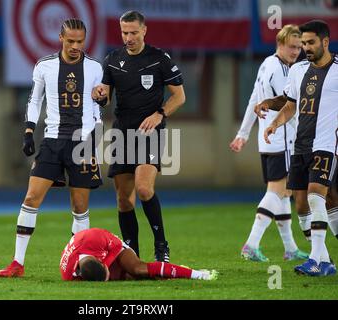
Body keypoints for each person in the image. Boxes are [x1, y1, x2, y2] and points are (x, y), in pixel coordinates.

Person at [0, 19, 105, 278]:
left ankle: (78, 265)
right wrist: (28, 131)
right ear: (60, 38)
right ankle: (17, 263)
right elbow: (35, 99)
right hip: (53, 141)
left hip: (82, 142)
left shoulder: (94, 68)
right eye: (70, 41)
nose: (76, 46)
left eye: (80, 41)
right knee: (31, 198)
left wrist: (96, 140)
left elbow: (98, 108)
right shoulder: (45, 66)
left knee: (80, 206)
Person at [92, 11, 186, 262]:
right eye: (125, 32)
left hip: (150, 131)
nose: (129, 37)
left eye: (134, 32)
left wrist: (160, 114)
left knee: (144, 189)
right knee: (124, 200)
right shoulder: (113, 59)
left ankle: (161, 245)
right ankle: (131, 251)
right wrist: (99, 95)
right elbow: (106, 98)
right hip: (122, 132)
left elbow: (179, 96)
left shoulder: (158, 58)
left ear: (144, 30)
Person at [264, 20, 337, 276]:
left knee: (317, 196)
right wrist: (275, 122)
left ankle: (315, 261)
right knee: (304, 205)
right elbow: (291, 104)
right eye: (303, 43)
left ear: (325, 42)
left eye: (310, 43)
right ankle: (326, 261)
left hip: (327, 145)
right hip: (301, 146)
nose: (305, 47)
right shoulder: (298, 70)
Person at [229, 25, 308, 262]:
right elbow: (290, 106)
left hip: (268, 142)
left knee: (284, 195)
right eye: (292, 47)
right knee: (279, 191)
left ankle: (290, 248)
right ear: (280, 44)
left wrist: (243, 134)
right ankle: (251, 244)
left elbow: (255, 98)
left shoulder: (266, 64)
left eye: (299, 47)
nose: (296, 52)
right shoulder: (283, 71)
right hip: (283, 139)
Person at [60, 228, 218, 281]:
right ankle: (174, 271)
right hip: (98, 257)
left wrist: (107, 265)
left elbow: (115, 246)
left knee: (137, 269)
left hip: (112, 248)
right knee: (135, 278)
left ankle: (199, 274)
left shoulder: (93, 236)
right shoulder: (68, 274)